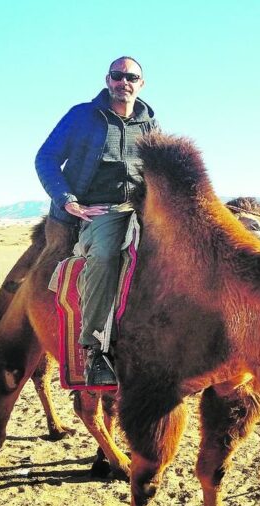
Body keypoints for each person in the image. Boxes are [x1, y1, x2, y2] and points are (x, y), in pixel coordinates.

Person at [35, 56, 158, 386]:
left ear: (140, 84)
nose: (124, 81)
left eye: (131, 77)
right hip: (99, 209)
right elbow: (45, 158)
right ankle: (96, 350)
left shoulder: (150, 124)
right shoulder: (82, 116)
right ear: (108, 80)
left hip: (143, 208)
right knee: (104, 256)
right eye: (118, 76)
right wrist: (68, 201)